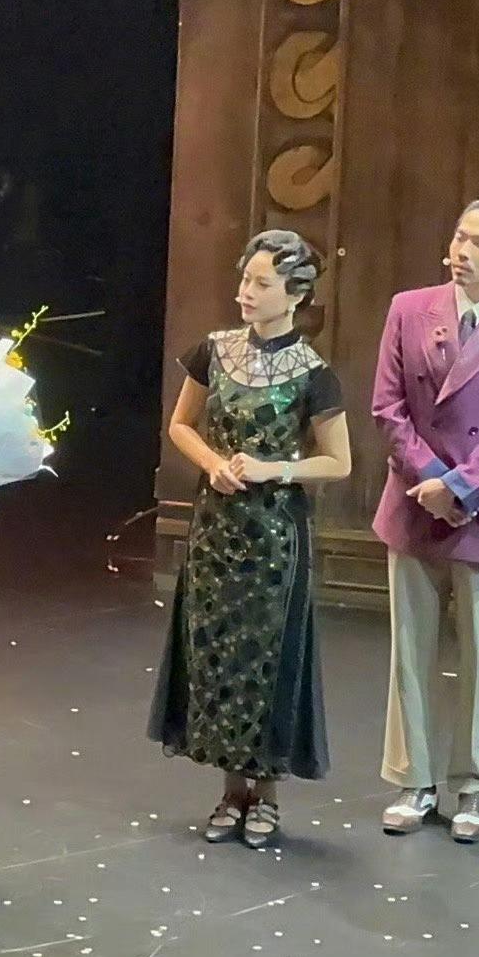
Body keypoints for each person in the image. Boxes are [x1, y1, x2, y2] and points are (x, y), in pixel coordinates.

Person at [150, 230, 350, 850]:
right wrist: (213, 463)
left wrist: (273, 468)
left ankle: (266, 794)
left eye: (262, 283)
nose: (247, 292)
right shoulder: (214, 351)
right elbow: (181, 425)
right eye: (245, 279)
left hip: (275, 536)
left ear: (295, 295)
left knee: (268, 656)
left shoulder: (314, 373)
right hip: (217, 526)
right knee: (217, 652)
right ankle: (231, 789)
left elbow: (338, 462)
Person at [372, 196, 479, 844]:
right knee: (409, 652)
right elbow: (387, 408)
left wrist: (461, 486)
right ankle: (413, 780)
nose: (462, 251)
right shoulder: (409, 309)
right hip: (416, 501)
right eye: (460, 237)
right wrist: (431, 481)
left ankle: (475, 787)